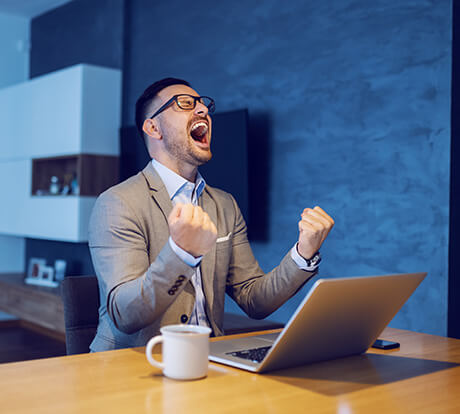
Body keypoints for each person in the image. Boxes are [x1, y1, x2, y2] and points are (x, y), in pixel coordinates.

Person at [88, 78, 334, 351]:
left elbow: (254, 300)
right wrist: (181, 254)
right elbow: (125, 315)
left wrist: (303, 253)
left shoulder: (225, 204)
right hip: (134, 367)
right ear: (153, 127)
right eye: (185, 103)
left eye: (204, 104)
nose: (203, 109)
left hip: (208, 360)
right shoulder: (117, 203)